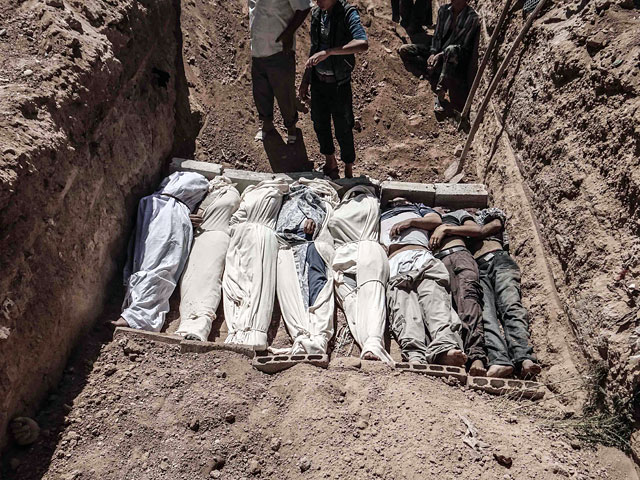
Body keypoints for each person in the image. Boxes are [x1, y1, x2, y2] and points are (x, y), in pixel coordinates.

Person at [110, 172, 210, 331]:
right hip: (165, 227)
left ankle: (136, 315)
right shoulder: (165, 204)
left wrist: (184, 215)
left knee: (155, 268)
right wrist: (183, 215)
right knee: (154, 267)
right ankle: (137, 314)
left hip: (165, 224)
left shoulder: (153, 201)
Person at [381, 197, 467, 367]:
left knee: (436, 301)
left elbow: (435, 220)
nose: (398, 200)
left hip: (422, 257)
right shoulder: (380, 214)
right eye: (394, 200)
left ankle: (445, 348)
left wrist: (410, 221)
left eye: (403, 199)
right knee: (403, 307)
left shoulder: (417, 208)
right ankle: (414, 354)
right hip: (395, 263)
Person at [299, 0, 368, 180]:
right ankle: (330, 162)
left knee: (343, 127)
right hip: (319, 82)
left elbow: (362, 43)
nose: (318, 1)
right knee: (320, 123)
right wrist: (306, 79)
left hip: (339, 84)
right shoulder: (317, 14)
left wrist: (329, 52)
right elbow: (314, 48)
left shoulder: (347, 13)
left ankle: (348, 168)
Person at [471, 207, 541, 379]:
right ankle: (499, 360)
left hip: (499, 259)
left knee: (511, 307)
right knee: (486, 316)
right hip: (478, 269)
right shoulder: (455, 225)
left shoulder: (486, 215)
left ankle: (524, 358)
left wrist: (470, 232)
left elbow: (495, 224)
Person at [328, 185, 393, 364]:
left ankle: (373, 342)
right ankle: (369, 343)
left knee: (372, 296)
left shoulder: (369, 201)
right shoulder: (338, 208)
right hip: (342, 256)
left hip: (366, 249)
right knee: (350, 302)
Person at [222, 178, 289, 350]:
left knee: (258, 282)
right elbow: (237, 218)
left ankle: (253, 330)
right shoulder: (250, 193)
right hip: (241, 237)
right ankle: (235, 330)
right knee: (234, 279)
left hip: (261, 237)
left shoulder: (277, 191)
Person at [274, 178, 339, 354]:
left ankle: (318, 337)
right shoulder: (286, 199)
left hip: (312, 245)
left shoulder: (316, 200)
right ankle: (302, 335)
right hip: (288, 247)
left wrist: (313, 219)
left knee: (318, 285)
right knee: (291, 292)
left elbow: (322, 213)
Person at [175, 176, 240, 342]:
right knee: (190, 283)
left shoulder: (230, 193)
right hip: (197, 239)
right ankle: (186, 325)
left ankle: (200, 328)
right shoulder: (202, 195)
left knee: (209, 281)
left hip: (216, 237)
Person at [428, 209, 487, 376]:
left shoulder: (456, 214)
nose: (437, 209)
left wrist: (446, 228)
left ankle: (476, 356)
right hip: (435, 262)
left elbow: (476, 230)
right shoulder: (423, 218)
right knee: (443, 310)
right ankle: (453, 352)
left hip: (459, 254)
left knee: (469, 301)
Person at [249, 0, 313, 144]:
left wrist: (289, 33)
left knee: (284, 93)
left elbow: (304, 7)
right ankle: (267, 124)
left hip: (279, 50)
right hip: (257, 49)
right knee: (261, 92)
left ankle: (291, 127)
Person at [398, 0, 479, 112]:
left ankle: (440, 93)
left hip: (454, 58)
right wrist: (433, 54)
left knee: (451, 50)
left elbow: (462, 45)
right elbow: (437, 35)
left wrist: (440, 55)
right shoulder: (443, 10)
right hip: (439, 52)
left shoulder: (472, 18)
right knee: (404, 50)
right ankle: (433, 69)